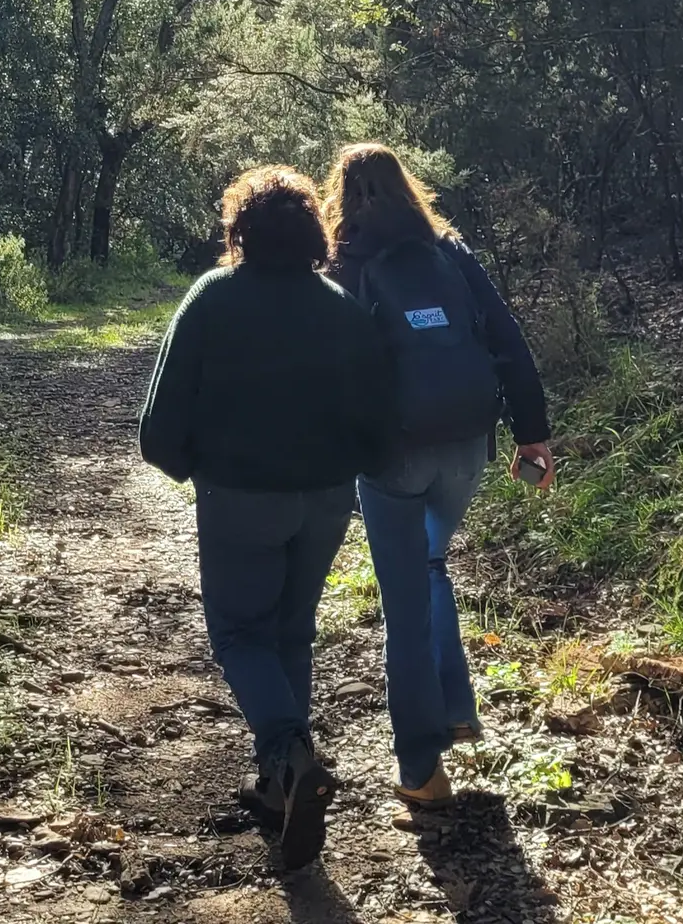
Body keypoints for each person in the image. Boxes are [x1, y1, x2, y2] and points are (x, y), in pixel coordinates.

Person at [138, 165, 395, 871]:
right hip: (326, 497)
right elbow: (379, 418)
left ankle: (288, 749)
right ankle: (281, 784)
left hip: (241, 496)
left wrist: (196, 468)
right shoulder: (342, 307)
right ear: (314, 232)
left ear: (240, 231)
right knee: (291, 631)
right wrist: (350, 469)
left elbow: (159, 425)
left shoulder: (213, 297)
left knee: (240, 633)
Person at [321, 143, 553, 809]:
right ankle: (453, 708)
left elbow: (328, 366)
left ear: (341, 193)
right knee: (431, 563)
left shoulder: (341, 262)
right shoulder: (449, 250)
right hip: (467, 445)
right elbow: (507, 338)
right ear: (407, 187)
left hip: (394, 455)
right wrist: (533, 433)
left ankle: (420, 769)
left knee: (404, 604)